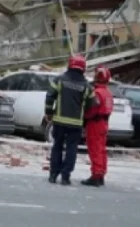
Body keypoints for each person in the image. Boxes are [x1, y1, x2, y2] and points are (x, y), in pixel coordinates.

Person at [45, 54, 95, 185]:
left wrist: (48, 113)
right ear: (83, 68)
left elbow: (50, 97)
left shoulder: (59, 80)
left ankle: (53, 174)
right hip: (76, 124)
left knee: (57, 146)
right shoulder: (87, 86)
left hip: (59, 122)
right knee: (71, 149)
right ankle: (66, 177)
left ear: (69, 65)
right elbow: (91, 105)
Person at [81, 65, 115, 187]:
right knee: (101, 150)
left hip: (95, 123)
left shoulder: (97, 93)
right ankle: (101, 174)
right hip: (104, 123)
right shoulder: (108, 93)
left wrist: (84, 118)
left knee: (94, 149)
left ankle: (96, 175)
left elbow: (92, 110)